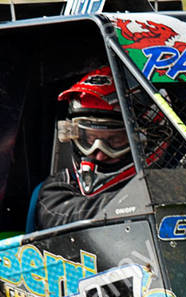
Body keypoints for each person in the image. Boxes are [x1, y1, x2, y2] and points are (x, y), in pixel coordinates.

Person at [35, 67, 170, 229]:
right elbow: (61, 216)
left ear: (149, 137)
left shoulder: (173, 182)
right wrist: (147, 199)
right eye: (89, 139)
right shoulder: (60, 187)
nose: (99, 154)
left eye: (114, 140)